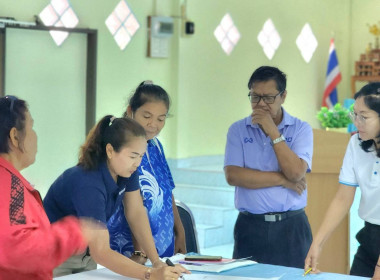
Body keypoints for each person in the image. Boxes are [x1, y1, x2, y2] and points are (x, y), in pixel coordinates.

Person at [43, 115, 187, 279]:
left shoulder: (126, 170)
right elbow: (101, 251)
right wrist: (150, 274)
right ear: (110, 150)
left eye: (141, 156)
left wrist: (156, 262)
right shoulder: (88, 181)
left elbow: (136, 213)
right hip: (54, 257)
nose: (137, 163)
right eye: (133, 156)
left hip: (84, 255)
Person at [224, 66, 313, 268]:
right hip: (250, 226)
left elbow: (296, 172)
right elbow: (234, 175)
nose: (261, 104)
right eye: (255, 97)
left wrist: (272, 130)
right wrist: (282, 180)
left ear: (283, 96)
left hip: (292, 226)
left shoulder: (301, 129)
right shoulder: (238, 129)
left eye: (269, 98)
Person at [0, 95, 98, 279]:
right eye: (31, 127)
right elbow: (19, 251)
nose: (36, 135)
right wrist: (76, 231)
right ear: (14, 136)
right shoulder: (9, 184)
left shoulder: (11, 180)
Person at [305, 82, 380, 279]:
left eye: (364, 117)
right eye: (355, 114)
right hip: (370, 237)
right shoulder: (356, 143)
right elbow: (342, 198)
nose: (356, 122)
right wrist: (317, 244)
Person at [108, 81, 186, 264]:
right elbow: (133, 205)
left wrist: (179, 230)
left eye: (161, 118)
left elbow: (167, 191)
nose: (154, 124)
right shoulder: (121, 149)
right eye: (147, 116)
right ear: (130, 111)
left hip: (162, 243)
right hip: (132, 249)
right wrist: (140, 251)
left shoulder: (157, 146)